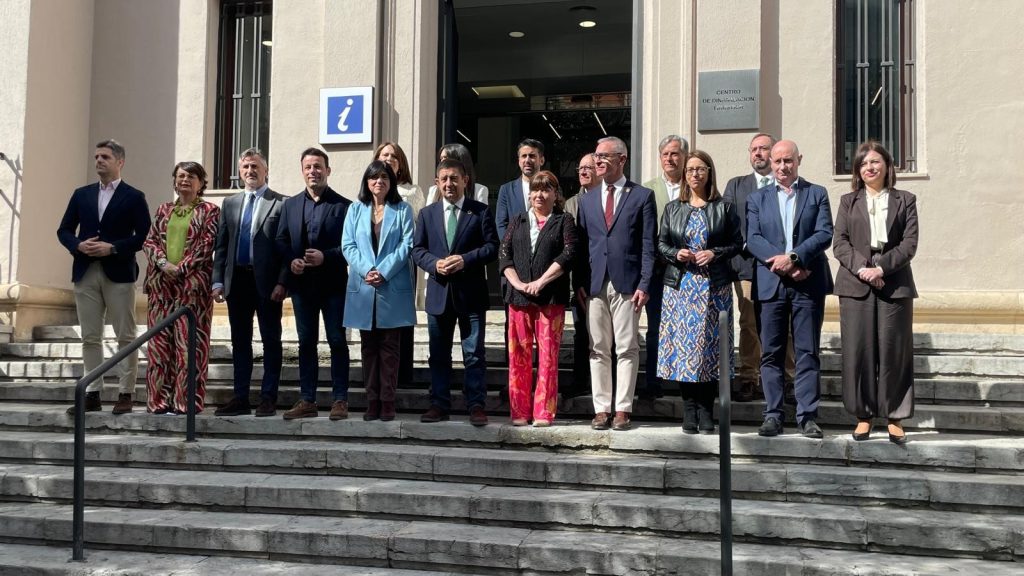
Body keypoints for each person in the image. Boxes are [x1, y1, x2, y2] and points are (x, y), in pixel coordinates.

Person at [746, 140, 834, 439]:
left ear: (799, 160)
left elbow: (824, 233)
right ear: (771, 163)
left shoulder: (816, 193)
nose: (783, 167)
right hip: (771, 285)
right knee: (771, 352)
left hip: (807, 283)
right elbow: (753, 238)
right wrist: (783, 263)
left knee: (807, 352)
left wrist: (795, 258)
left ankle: (807, 416)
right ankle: (773, 414)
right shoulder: (757, 198)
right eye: (778, 161)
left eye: (788, 161)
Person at [833, 141, 918, 444]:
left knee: (895, 351)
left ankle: (895, 416)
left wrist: (881, 268)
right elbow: (840, 243)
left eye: (875, 162)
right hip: (855, 284)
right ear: (858, 170)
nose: (870, 167)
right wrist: (863, 269)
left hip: (894, 283)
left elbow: (909, 243)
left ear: (887, 165)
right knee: (858, 352)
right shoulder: (848, 201)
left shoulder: (905, 199)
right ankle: (863, 416)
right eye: (864, 163)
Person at [57, 139, 151, 415]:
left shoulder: (134, 196)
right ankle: (92, 393)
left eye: (105, 157)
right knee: (90, 336)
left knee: (126, 335)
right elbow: (63, 230)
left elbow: (145, 236)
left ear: (120, 162)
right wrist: (78, 245)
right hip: (85, 271)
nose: (98, 160)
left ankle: (125, 393)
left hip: (119, 273)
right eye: (97, 156)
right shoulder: (81, 194)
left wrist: (114, 248)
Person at [574, 136, 657, 431]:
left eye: (604, 156)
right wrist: (579, 282)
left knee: (626, 347)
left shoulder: (642, 196)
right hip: (595, 283)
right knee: (597, 348)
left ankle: (622, 409)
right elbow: (581, 246)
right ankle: (601, 409)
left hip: (628, 283)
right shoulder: (586, 200)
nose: (598, 161)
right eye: (596, 156)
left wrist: (645, 283)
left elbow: (648, 245)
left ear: (622, 159)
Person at [657, 151, 742, 433]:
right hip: (681, 287)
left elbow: (737, 243)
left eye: (700, 169)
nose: (695, 174)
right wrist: (676, 253)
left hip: (714, 287)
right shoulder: (673, 208)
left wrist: (714, 253)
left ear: (709, 172)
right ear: (685, 174)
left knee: (710, 349)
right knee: (684, 349)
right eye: (690, 169)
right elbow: (661, 244)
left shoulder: (724, 207)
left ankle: (707, 410)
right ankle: (689, 409)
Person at [412, 158, 499, 426]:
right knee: (439, 354)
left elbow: (492, 247)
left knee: (474, 354)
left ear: (465, 181)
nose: (449, 183)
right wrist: (434, 264)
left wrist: (465, 260)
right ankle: (439, 404)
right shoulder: (427, 214)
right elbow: (417, 250)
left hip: (471, 295)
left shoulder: (480, 211)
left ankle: (476, 405)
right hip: (439, 294)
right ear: (437, 183)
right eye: (444, 179)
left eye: (454, 178)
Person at [276, 148, 352, 420]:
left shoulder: (345, 206)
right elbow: (281, 240)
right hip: (302, 287)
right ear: (302, 171)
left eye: (318, 166)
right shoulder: (291, 205)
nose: (313, 171)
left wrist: (325, 257)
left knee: (337, 341)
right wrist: (292, 260)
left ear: (328, 170)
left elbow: (351, 247)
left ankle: (340, 400)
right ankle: (307, 399)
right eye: (308, 167)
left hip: (334, 286)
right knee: (306, 342)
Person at [212, 148, 287, 417]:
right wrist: (217, 281)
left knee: (271, 340)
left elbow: (286, 249)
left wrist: (283, 282)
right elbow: (222, 245)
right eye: (245, 167)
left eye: (255, 166)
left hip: (267, 283)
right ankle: (240, 397)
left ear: (266, 170)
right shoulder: (230, 203)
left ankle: (268, 397)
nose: (250, 171)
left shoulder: (281, 203)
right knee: (240, 341)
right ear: (239, 172)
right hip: (237, 281)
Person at [499, 170, 576, 426]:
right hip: (518, 299)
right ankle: (520, 412)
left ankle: (544, 412)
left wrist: (541, 282)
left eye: (546, 189)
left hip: (550, 299)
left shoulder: (564, 220)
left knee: (548, 357)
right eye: (535, 189)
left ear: (555, 194)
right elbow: (504, 255)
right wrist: (519, 284)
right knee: (518, 357)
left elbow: (568, 253)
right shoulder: (518, 220)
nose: (539, 195)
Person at [722, 133, 796, 402]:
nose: (757, 153)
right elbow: (728, 222)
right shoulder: (736, 185)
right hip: (747, 266)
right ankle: (748, 377)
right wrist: (748, 247)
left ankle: (788, 378)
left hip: (780, 266)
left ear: (773, 153)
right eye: (753, 149)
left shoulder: (787, 186)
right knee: (749, 323)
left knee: (784, 322)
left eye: (763, 148)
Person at [142, 161, 220, 414]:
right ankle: (158, 401)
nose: (185, 180)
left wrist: (181, 268)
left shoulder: (210, 211)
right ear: (175, 181)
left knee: (190, 347)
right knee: (159, 347)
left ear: (201, 183)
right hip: (161, 288)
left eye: (191, 176)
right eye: (181, 176)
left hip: (192, 288)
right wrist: (164, 264)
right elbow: (150, 241)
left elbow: (207, 244)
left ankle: (186, 402)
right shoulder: (163, 209)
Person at [342, 161, 417, 422]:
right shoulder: (355, 209)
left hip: (391, 285)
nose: (379, 182)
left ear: (391, 182)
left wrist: (383, 271)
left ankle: (387, 401)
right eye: (374, 177)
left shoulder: (402, 210)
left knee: (390, 348)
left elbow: (407, 244)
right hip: (364, 286)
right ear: (367, 182)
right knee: (368, 347)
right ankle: (371, 401)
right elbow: (348, 245)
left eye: (384, 177)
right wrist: (367, 270)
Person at [640, 134, 689, 400]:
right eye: (665, 154)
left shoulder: (694, 187)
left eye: (675, 153)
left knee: (686, 327)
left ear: (685, 157)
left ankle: (685, 382)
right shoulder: (647, 189)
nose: (670, 159)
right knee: (656, 328)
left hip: (688, 272)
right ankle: (653, 382)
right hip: (658, 271)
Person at [374, 141, 422, 392]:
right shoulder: (370, 189)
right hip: (375, 263)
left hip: (403, 261)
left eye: (394, 156)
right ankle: (379, 374)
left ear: (400, 163)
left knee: (402, 317)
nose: (389, 158)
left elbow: (417, 227)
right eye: (384, 155)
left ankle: (402, 373)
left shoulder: (411, 191)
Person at [562, 153, 600, 399]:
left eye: (589, 167)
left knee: (605, 336)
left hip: (604, 278)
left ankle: (604, 385)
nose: (583, 172)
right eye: (581, 168)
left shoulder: (608, 199)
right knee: (581, 332)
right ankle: (580, 381)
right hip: (580, 280)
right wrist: (576, 285)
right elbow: (572, 248)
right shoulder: (571, 204)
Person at [495, 138, 545, 241]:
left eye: (532, 156)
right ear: (519, 161)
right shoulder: (506, 190)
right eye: (523, 156)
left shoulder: (551, 188)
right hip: (514, 248)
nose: (527, 160)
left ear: (541, 160)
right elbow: (501, 224)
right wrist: (508, 247)